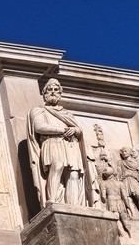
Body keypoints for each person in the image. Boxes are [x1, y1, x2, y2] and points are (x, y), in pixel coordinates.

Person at [27, 78, 96, 207]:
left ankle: (74, 205)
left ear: (60, 93)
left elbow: (79, 130)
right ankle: (52, 199)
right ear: (44, 93)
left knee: (73, 174)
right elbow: (39, 127)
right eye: (50, 89)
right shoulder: (38, 110)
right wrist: (63, 130)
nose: (53, 92)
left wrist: (75, 130)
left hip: (70, 145)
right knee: (57, 166)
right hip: (52, 142)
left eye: (56, 90)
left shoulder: (67, 113)